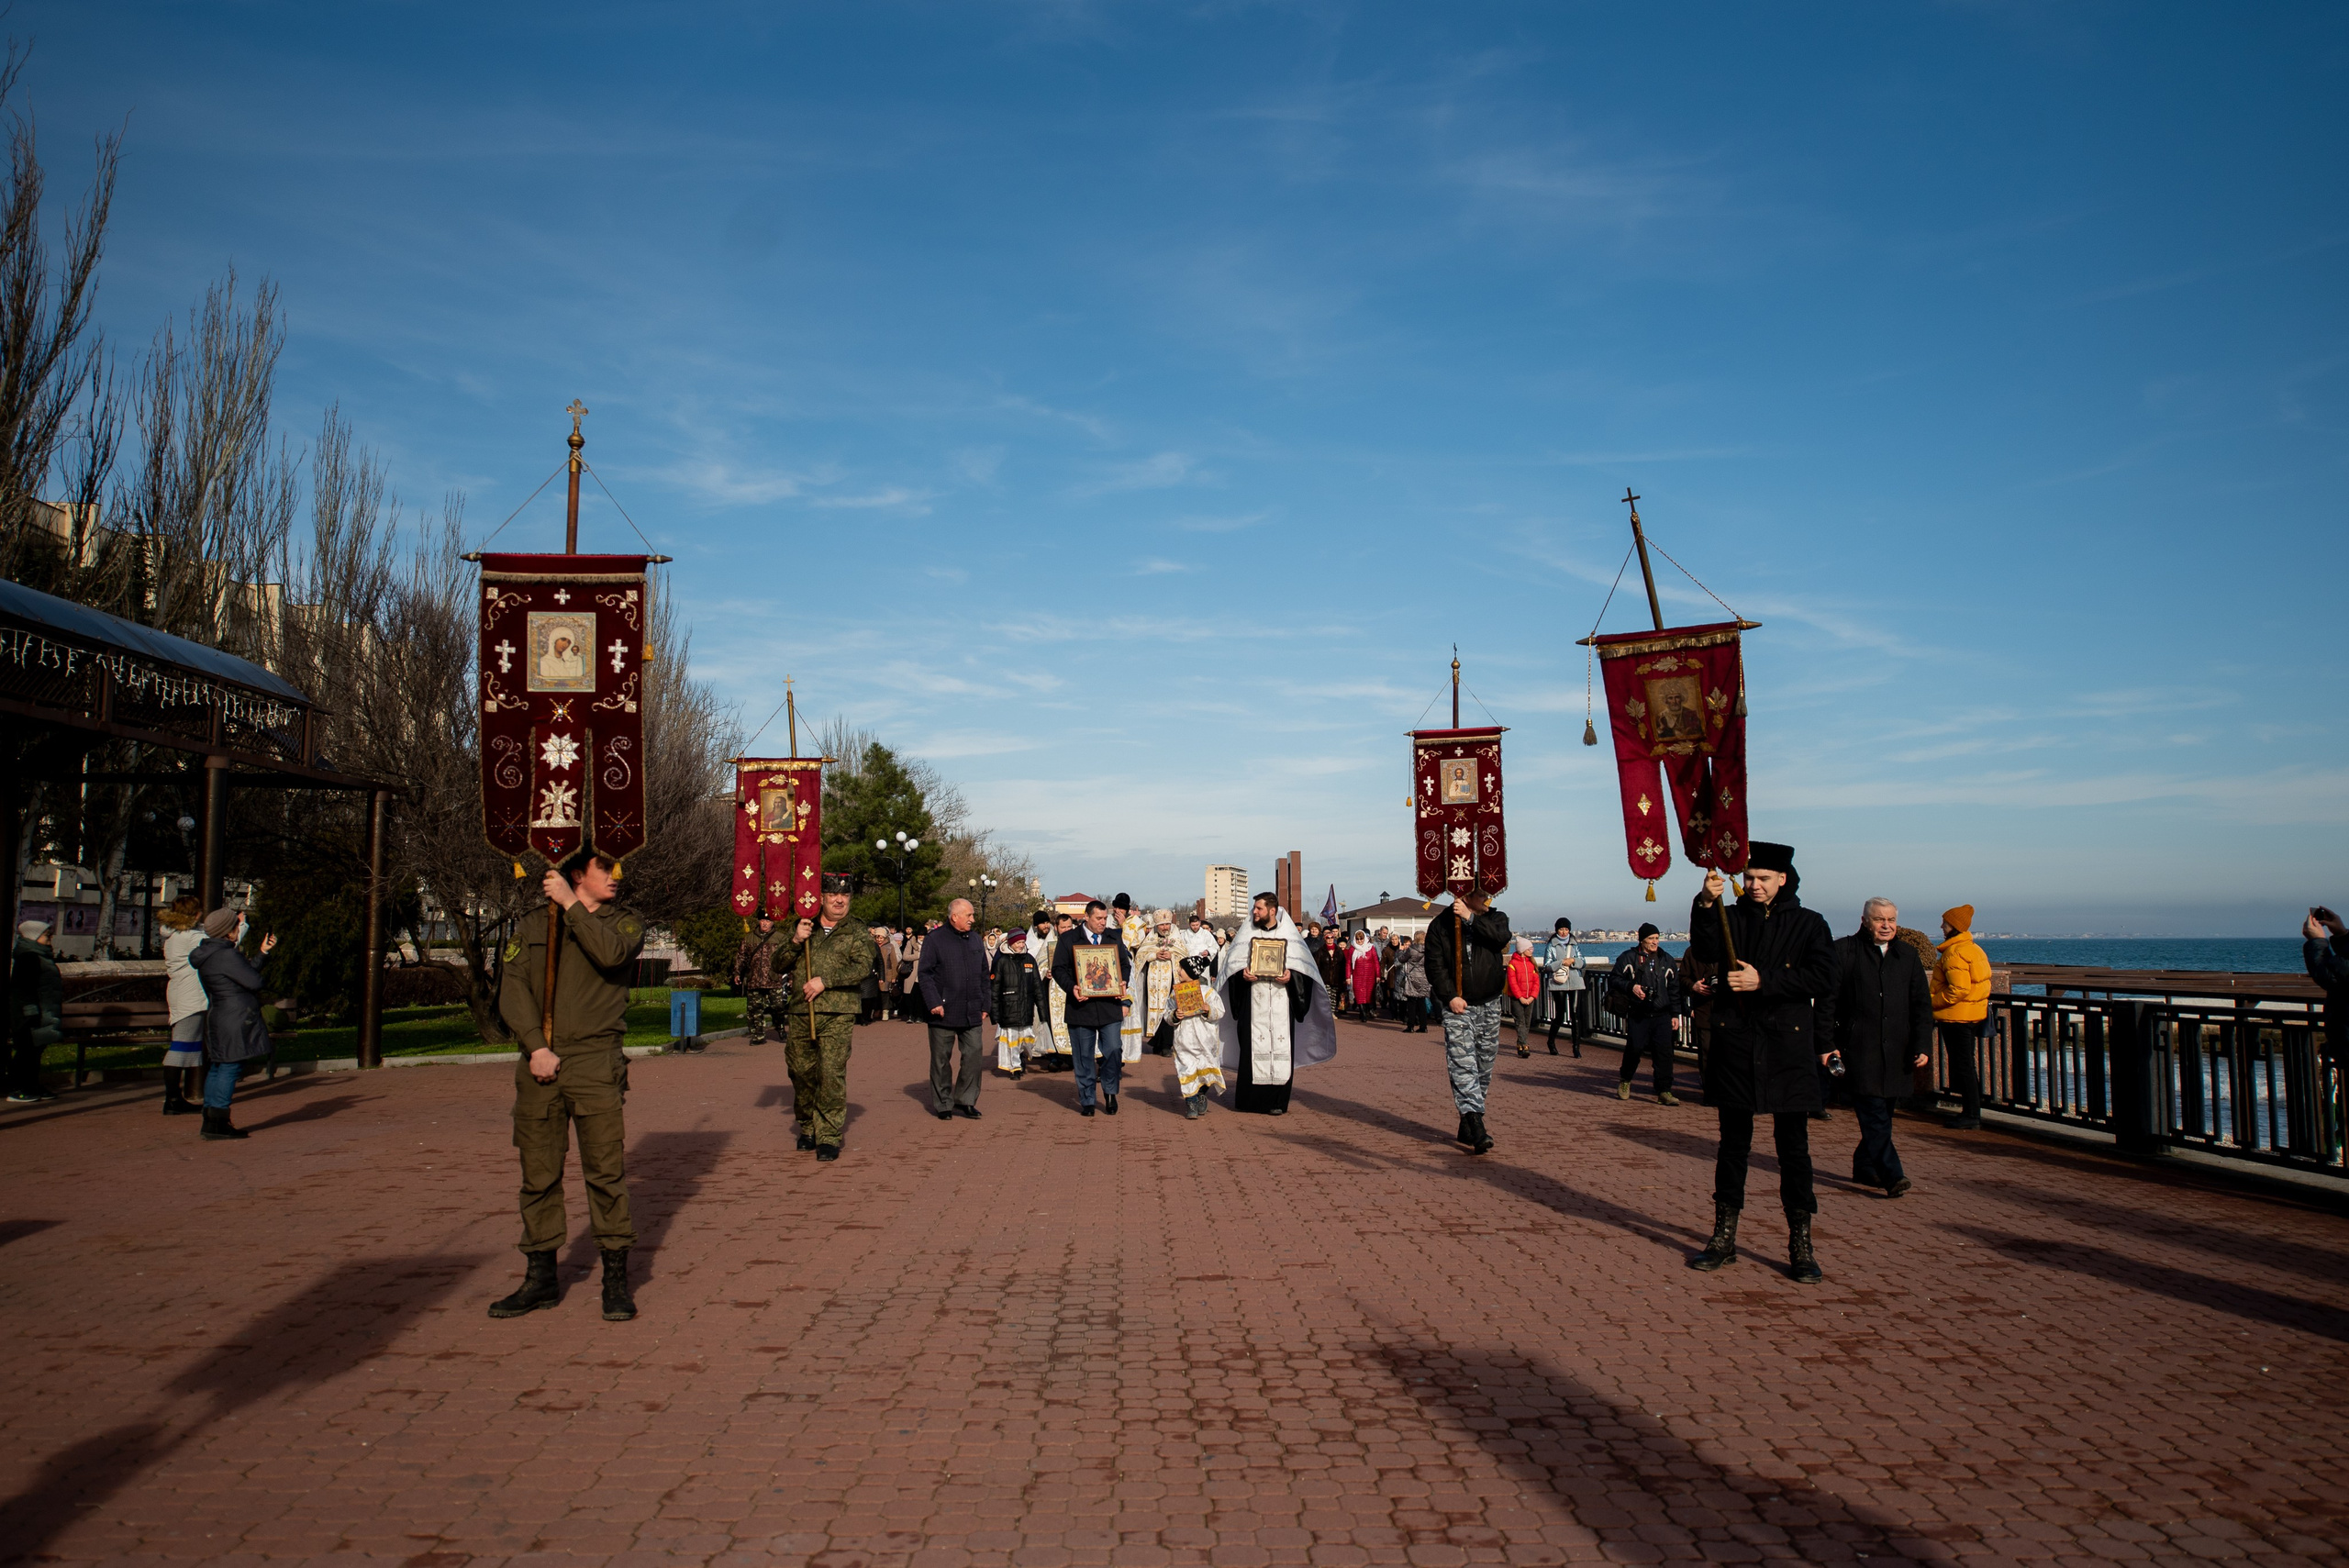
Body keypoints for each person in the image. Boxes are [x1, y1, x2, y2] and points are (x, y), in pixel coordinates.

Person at [489, 855, 647, 1320]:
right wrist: (536, 1047)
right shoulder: (535, 923)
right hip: (540, 1063)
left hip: (596, 1062)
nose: (617, 877)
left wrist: (570, 907)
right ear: (578, 873)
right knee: (538, 1177)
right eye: (606, 869)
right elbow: (512, 988)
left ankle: (615, 1281)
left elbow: (610, 955)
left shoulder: (626, 924)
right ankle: (540, 1278)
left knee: (605, 1173)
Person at [1684, 844, 1838, 1284]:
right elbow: (1705, 945)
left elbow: (1825, 978)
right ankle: (1723, 1238)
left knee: (1794, 1151)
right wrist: (1707, 902)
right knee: (1732, 1147)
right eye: (1749, 877)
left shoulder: (1810, 924)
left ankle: (1801, 1244)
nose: (1753, 886)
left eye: (1763, 879)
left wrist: (1764, 980)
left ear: (1782, 880)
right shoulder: (1732, 916)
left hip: (1788, 1048)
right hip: (1736, 1044)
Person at [1830, 897, 1934, 1198]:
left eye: (1891, 920)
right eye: (1879, 920)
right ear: (1865, 920)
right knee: (1874, 1113)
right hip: (1858, 1051)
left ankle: (1864, 1166)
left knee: (1883, 1116)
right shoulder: (1845, 951)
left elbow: (1921, 1007)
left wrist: (1922, 1045)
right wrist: (1827, 1044)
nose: (1886, 926)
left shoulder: (1908, 955)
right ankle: (1893, 1175)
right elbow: (1828, 1002)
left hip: (1897, 1053)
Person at [1212, 892, 1336, 1114]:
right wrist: (1243, 976)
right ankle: (1249, 1101)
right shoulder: (1245, 935)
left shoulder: (1290, 937)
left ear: (1272, 910)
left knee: (1281, 1049)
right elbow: (1232, 969)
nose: (1254, 912)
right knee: (1250, 1049)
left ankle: (1276, 1103)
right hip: (1253, 1003)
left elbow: (1304, 971)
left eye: (1259, 908)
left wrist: (1292, 977)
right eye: (1254, 908)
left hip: (1282, 1005)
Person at [787, 873, 878, 1162]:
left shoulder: (856, 930)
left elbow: (862, 966)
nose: (839, 901)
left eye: (845, 896)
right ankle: (807, 1126)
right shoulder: (804, 926)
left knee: (830, 1074)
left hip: (838, 1012)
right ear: (821, 898)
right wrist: (794, 940)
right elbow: (778, 962)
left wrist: (824, 980)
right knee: (800, 1072)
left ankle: (828, 1135)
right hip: (802, 1010)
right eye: (833, 896)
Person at [1423, 886, 1512, 1154]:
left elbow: (1500, 939)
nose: (1488, 899)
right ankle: (1476, 1122)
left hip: (1490, 1003)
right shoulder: (1441, 925)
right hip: (1459, 1007)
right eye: (1481, 895)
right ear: (1465, 896)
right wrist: (1449, 996)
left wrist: (1471, 920)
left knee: (1484, 1064)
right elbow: (1434, 964)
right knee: (1463, 1063)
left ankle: (1467, 1121)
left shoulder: (1496, 919)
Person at [189, 907, 279, 1141]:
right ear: (228, 931)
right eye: (236, 926)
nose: (238, 929)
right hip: (236, 1016)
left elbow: (243, 974)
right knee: (230, 1068)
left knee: (219, 1066)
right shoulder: (227, 955)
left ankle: (211, 1118)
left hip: (219, 1013)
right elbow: (254, 981)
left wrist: (262, 953)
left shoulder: (208, 954)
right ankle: (219, 1120)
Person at [1052, 899, 1132, 1116]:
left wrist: (1122, 980)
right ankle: (1087, 1099)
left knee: (1114, 1049)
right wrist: (1072, 988)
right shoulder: (1069, 939)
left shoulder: (1113, 937)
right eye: (1099, 918)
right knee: (1083, 1056)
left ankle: (1109, 1091)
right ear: (1086, 917)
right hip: (1081, 1007)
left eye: (1105, 918)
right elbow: (1058, 969)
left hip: (1109, 1006)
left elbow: (1124, 964)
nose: (1103, 923)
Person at [917, 897, 991, 1121]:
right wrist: (934, 1002)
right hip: (943, 1011)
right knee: (941, 1060)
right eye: (968, 915)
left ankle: (966, 1100)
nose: (973, 919)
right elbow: (925, 974)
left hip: (972, 1010)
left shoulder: (976, 940)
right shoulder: (935, 940)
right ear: (954, 916)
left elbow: (984, 975)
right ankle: (943, 1104)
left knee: (974, 1056)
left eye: (973, 915)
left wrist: (985, 1004)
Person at [1607, 923, 1686, 1104]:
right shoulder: (1629, 958)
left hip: (1662, 1014)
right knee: (1634, 1049)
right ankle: (1625, 1080)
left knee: (1665, 1053)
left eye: (1657, 938)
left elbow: (1674, 989)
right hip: (1639, 1013)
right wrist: (1631, 987)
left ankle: (1664, 1090)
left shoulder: (1667, 960)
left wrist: (1675, 1014)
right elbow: (1614, 979)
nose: (1655, 942)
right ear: (1642, 940)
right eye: (1651, 939)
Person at [1931, 904, 1993, 1129]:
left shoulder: (1954, 952)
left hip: (1956, 1017)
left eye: (1945, 923)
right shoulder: (1974, 949)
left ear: (1954, 926)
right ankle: (1972, 1111)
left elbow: (1959, 989)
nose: (1941, 926)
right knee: (1967, 1065)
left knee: (1963, 1065)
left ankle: (1971, 1114)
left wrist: (1931, 1002)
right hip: (1973, 1015)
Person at [156, 895, 206, 1115]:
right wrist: (241, 926)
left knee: (184, 1044)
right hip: (191, 997)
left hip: (180, 993)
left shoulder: (174, 934)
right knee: (181, 1047)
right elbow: (220, 944)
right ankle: (173, 1099)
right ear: (195, 914)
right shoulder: (190, 937)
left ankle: (174, 1098)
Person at [7, 919, 63, 1105]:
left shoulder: (38, 956)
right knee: (27, 1052)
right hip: (30, 1016)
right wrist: (30, 1014)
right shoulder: (29, 958)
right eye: (46, 935)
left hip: (41, 1013)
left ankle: (31, 1085)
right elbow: (23, 990)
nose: (50, 938)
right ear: (34, 937)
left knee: (35, 1051)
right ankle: (18, 1088)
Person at [1171, 953, 1228, 1117]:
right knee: (1187, 1070)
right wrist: (1175, 1015)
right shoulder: (1176, 993)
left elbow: (1220, 1011)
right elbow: (1167, 1014)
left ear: (1191, 971)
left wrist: (1208, 1010)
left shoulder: (1208, 992)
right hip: (1184, 1040)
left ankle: (1201, 1093)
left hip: (1205, 1039)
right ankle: (1191, 1103)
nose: (1179, 972)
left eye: (1182, 969)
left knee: (1205, 1068)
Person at [1130, 910, 1186, 1057]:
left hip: (1171, 980)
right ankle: (1157, 1042)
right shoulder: (1151, 938)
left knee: (1169, 1008)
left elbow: (1184, 955)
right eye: (1162, 925)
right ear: (1157, 925)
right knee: (1154, 1010)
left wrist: (1172, 955)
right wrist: (1154, 955)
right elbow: (1141, 956)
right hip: (1152, 982)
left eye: (1167, 924)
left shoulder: (1176, 936)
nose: (1165, 927)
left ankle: (1166, 1044)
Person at [992, 928, 1043, 1076]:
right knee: (1012, 1039)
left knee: (1028, 1039)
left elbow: (1036, 984)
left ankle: (1022, 1055)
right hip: (1008, 1008)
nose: (1021, 945)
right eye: (1018, 942)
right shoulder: (1002, 960)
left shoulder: (1029, 959)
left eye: (1023, 942)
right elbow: (995, 988)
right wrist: (994, 1011)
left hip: (1026, 1007)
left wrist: (1041, 1007)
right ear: (1012, 943)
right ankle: (1015, 1067)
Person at [732, 915, 790, 1045]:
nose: (765, 924)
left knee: (778, 1007)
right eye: (763, 920)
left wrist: (791, 977)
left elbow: (787, 957)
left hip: (773, 979)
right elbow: (741, 957)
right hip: (754, 979)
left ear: (773, 922)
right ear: (759, 921)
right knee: (754, 1009)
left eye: (768, 921)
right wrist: (737, 973)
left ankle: (780, 1028)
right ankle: (757, 1036)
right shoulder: (749, 938)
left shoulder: (780, 938)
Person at [1542, 917, 1585, 1057]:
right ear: (1556, 930)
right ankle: (1551, 1042)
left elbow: (1583, 962)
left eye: (1566, 929)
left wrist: (1573, 961)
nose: (1564, 932)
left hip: (1575, 981)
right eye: (1561, 929)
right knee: (1560, 1014)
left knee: (1574, 1013)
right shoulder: (1552, 945)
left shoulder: (1574, 944)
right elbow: (1547, 965)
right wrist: (1561, 963)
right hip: (1558, 982)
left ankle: (1576, 1047)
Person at [1505, 938, 1542, 1057]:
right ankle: (1525, 1045)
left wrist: (1532, 996)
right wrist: (1520, 997)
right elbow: (1512, 982)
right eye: (1529, 948)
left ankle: (1520, 1044)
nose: (1532, 951)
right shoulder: (1513, 964)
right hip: (1517, 998)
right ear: (1522, 950)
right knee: (1520, 1021)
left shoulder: (1532, 964)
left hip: (1529, 997)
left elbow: (1536, 982)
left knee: (1527, 1022)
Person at [1392, 934, 1431, 1032]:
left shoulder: (1411, 949)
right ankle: (1423, 1026)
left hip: (1412, 977)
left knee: (1411, 1002)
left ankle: (1411, 1026)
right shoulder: (1429, 950)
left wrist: (1400, 950)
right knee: (1422, 1002)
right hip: (1423, 977)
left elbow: (1401, 960)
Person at [1348, 929, 1384, 1024]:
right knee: (1359, 994)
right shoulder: (1352, 949)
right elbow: (1348, 964)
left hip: (1370, 975)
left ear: (1364, 938)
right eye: (1358, 939)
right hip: (1357, 975)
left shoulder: (1370, 948)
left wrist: (1378, 975)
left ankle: (1367, 1011)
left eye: (1361, 939)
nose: (1359, 941)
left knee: (1368, 995)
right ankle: (1362, 1013)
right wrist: (1348, 976)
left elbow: (1376, 962)